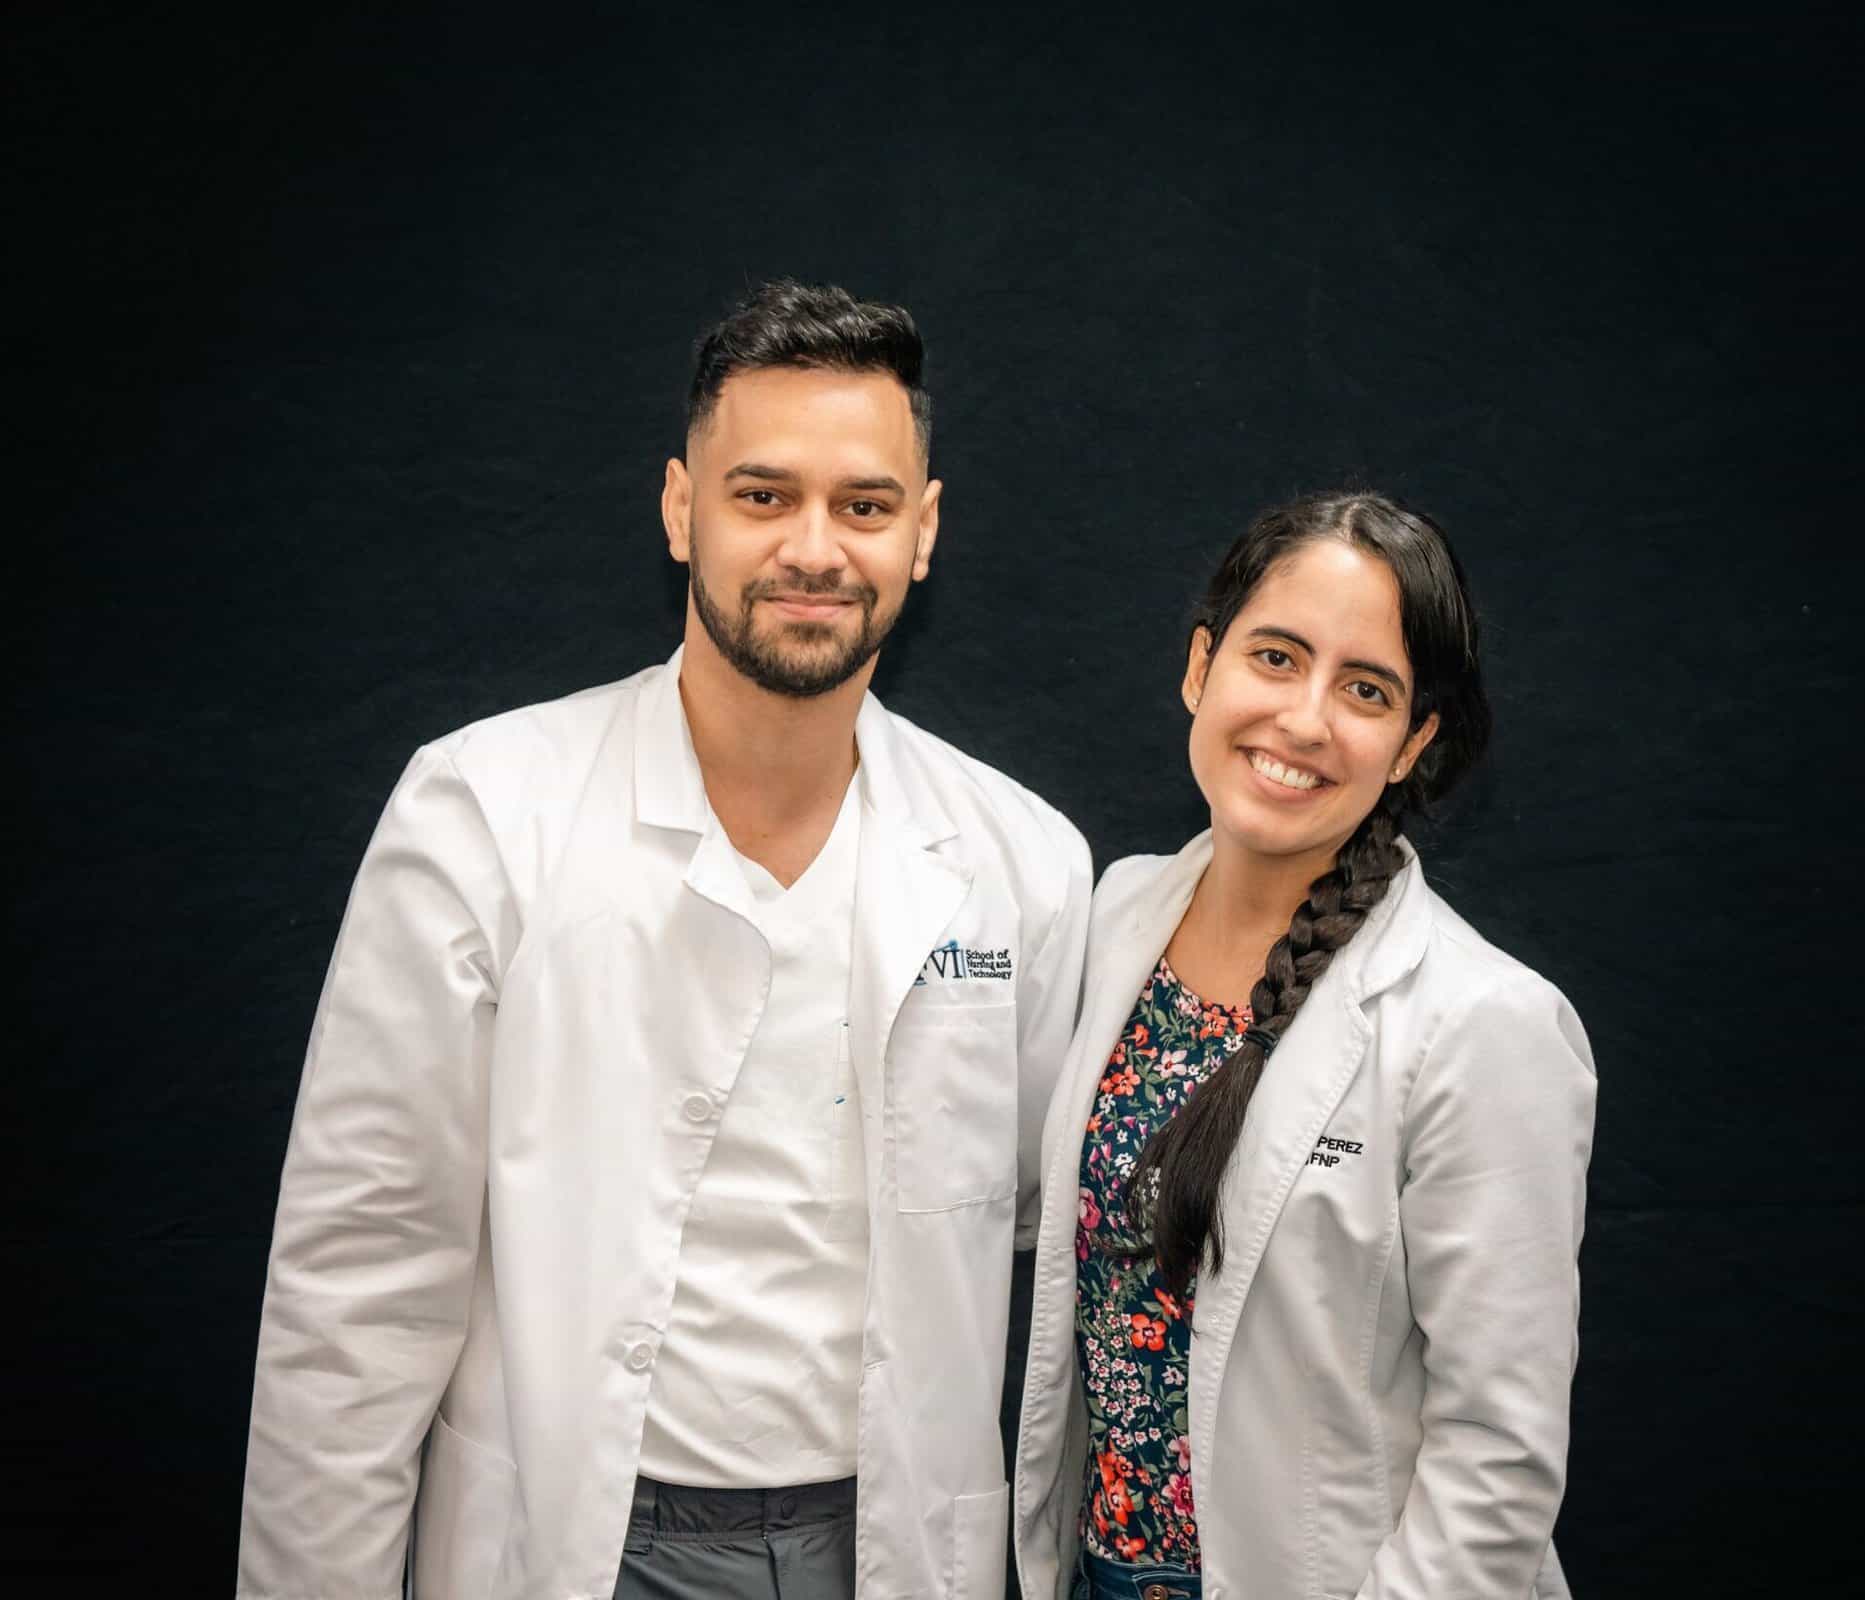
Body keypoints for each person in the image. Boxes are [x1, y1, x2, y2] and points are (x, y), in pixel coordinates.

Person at [238, 280, 1091, 1600]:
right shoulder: (486, 813)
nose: (816, 547)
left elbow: (1031, 1211)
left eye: (863, 506)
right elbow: (360, 1280)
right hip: (577, 1535)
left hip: (887, 1542)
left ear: (921, 535)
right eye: (763, 496)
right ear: (681, 508)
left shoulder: (1022, 862)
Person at [1012, 492, 1596, 1600]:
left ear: (1414, 739)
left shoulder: (1482, 1025)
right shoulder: (1115, 916)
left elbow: (1499, 1458)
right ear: (1199, 667)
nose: (1304, 717)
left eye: (1365, 688)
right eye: (1274, 656)